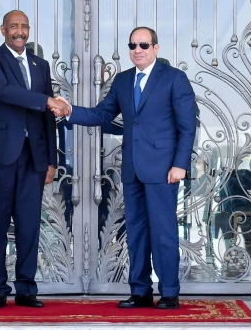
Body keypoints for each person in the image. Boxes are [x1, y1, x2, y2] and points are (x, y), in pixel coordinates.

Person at [53, 27, 196, 309]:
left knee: (163, 232)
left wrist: (180, 164)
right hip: (132, 169)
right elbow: (102, 114)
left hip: (164, 169)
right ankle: (140, 291)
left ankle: (169, 292)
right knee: (136, 232)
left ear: (156, 47)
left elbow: (187, 126)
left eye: (143, 45)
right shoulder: (123, 80)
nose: (137, 50)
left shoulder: (174, 78)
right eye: (133, 45)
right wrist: (70, 111)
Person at [0, 10, 69, 309]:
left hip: (32, 157)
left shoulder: (40, 65)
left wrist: (51, 159)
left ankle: (26, 289)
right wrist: (47, 100)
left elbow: (47, 117)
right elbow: (4, 91)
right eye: (14, 26)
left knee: (29, 225)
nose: (20, 32)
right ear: (3, 30)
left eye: (24, 26)